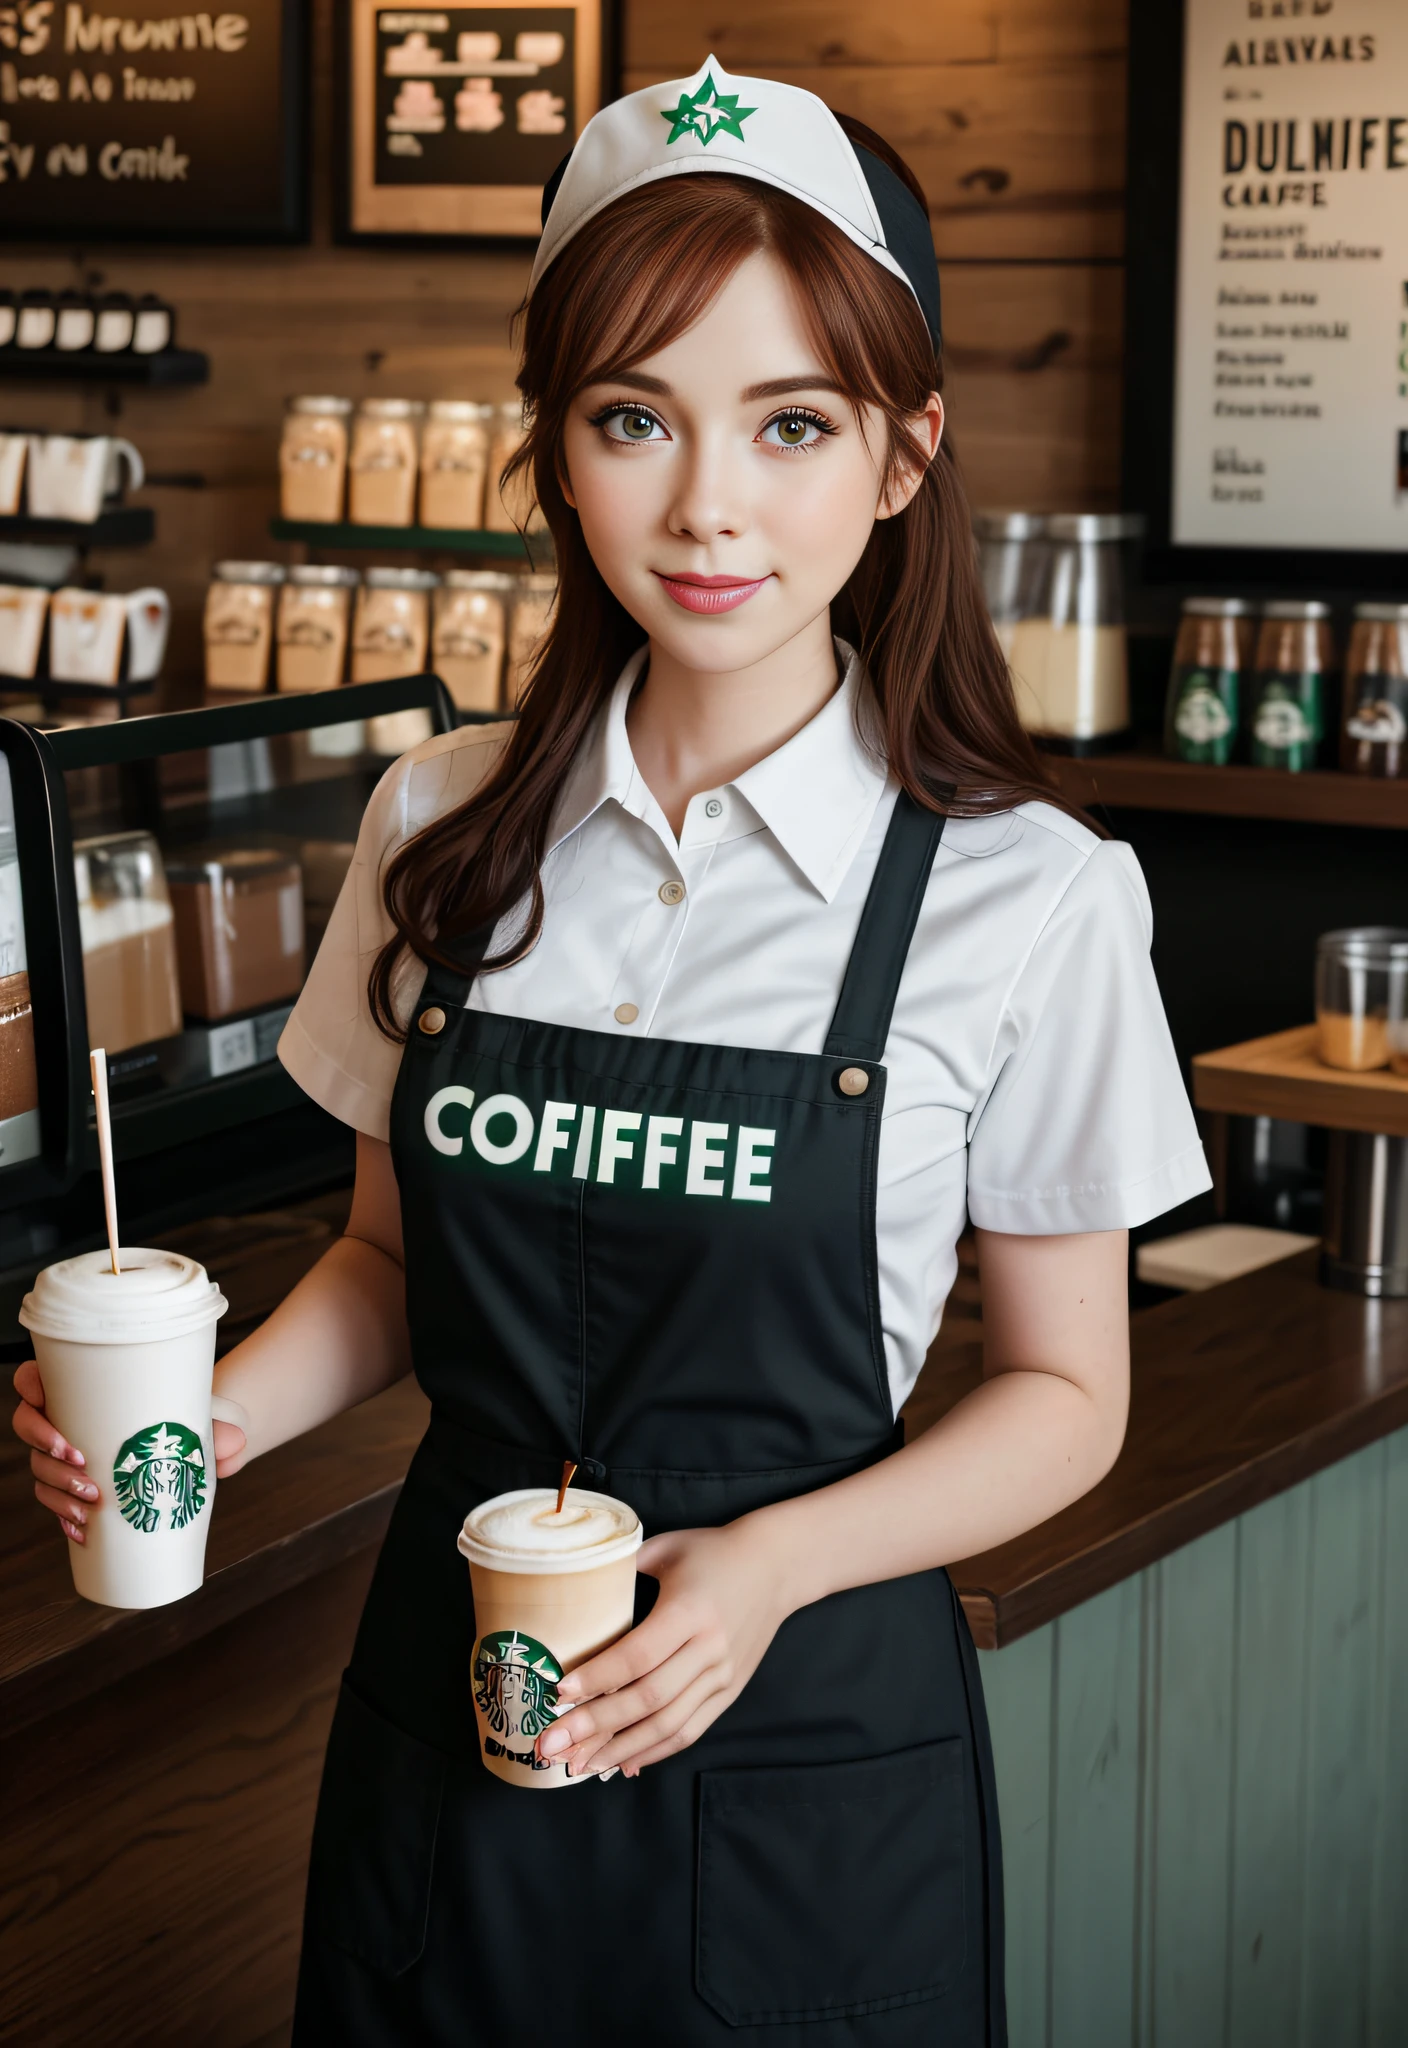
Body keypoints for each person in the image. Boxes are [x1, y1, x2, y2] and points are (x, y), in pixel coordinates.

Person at [12, 58, 1211, 2046]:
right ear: (557, 452)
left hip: (810, 1737)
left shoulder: (1027, 896)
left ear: (901, 455)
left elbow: (1069, 1395)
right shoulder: (435, 822)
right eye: (632, 417)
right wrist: (204, 1425)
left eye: (790, 423)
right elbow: (391, 1268)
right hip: (446, 1720)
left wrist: (765, 1564)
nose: (705, 503)